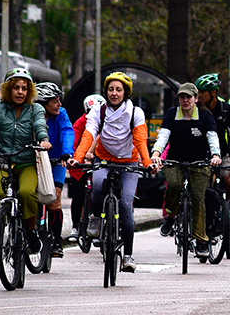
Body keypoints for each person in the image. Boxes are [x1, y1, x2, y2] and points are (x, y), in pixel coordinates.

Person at [70, 72, 152, 273]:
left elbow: (141, 140)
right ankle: (96, 218)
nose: (114, 93)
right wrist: (78, 158)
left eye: (118, 90)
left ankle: (128, 256)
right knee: (97, 186)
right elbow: (88, 135)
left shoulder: (136, 112)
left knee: (125, 204)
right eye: (110, 89)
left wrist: (148, 162)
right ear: (106, 92)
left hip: (129, 162)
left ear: (126, 93)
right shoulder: (98, 111)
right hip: (103, 159)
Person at [0, 68, 52, 258]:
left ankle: (30, 231)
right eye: (16, 88)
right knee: (1, 197)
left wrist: (43, 140)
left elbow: (39, 125)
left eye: (24, 88)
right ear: (8, 89)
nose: (20, 92)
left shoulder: (35, 109)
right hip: (2, 162)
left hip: (26, 162)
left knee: (27, 193)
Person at [150, 83, 219, 256]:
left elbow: (212, 137)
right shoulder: (172, 114)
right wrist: (157, 153)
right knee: (173, 185)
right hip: (175, 160)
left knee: (198, 198)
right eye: (182, 97)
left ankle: (201, 241)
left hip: (199, 163)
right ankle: (171, 217)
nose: (185, 100)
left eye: (189, 97)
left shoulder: (204, 115)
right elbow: (164, 135)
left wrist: (215, 155)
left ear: (196, 98)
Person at [195, 73, 230, 216]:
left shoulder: (226, 110)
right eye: (198, 92)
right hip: (200, 154)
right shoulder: (195, 110)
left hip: (222, 154)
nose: (199, 95)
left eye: (203, 92)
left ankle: (225, 207)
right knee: (202, 188)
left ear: (213, 92)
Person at [36, 82, 74, 257]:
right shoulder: (31, 112)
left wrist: (67, 153)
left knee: (55, 198)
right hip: (35, 160)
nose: (59, 105)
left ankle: (57, 242)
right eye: (55, 101)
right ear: (44, 103)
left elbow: (67, 131)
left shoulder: (62, 114)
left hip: (57, 161)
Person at [67, 94, 105, 241]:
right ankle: (75, 226)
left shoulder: (107, 121)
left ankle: (102, 225)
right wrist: (75, 158)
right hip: (81, 163)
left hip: (100, 161)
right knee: (77, 195)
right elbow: (73, 141)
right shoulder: (80, 122)